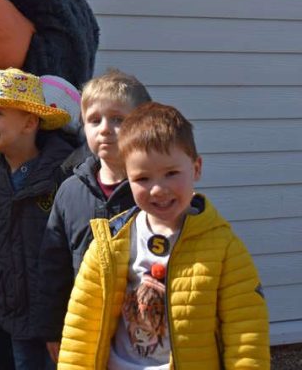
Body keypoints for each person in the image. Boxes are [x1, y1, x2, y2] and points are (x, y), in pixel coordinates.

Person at [57, 102, 270, 370]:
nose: (158, 189)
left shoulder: (223, 248)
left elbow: (246, 334)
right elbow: (81, 329)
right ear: (127, 178)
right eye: (143, 178)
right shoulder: (109, 243)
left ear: (196, 168)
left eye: (171, 174)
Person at [0, 68, 82, 370]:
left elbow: (77, 246)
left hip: (64, 314)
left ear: (30, 122)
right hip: (17, 312)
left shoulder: (66, 172)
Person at [41, 70, 151, 363]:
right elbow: (54, 266)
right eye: (94, 120)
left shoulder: (156, 192)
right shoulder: (69, 191)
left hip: (144, 332)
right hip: (84, 329)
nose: (104, 129)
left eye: (118, 119)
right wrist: (53, 328)